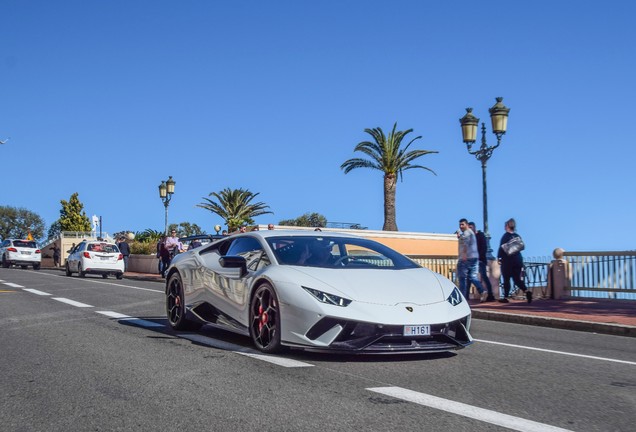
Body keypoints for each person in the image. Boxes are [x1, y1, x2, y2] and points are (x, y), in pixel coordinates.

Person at [497, 218, 532, 303]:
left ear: (508, 226)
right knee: (517, 279)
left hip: (508, 261)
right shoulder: (517, 236)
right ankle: (526, 291)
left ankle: (505, 297)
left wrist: (499, 258)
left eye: (505, 225)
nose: (504, 227)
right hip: (518, 260)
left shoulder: (505, 236)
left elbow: (501, 248)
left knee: (506, 279)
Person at [456, 218, 487, 302]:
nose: (461, 226)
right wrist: (459, 237)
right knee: (472, 276)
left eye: (462, 224)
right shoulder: (471, 233)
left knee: (462, 278)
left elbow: (465, 245)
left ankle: (462, 298)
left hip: (466, 258)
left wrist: (464, 255)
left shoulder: (466, 233)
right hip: (474, 258)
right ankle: (482, 291)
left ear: (466, 224)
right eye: (460, 225)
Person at [468, 222, 495, 301]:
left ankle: (490, 295)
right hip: (472, 261)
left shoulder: (480, 236)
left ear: (474, 228)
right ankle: (467, 296)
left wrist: (479, 258)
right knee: (470, 277)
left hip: (480, 260)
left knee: (484, 276)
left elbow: (483, 248)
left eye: (471, 227)